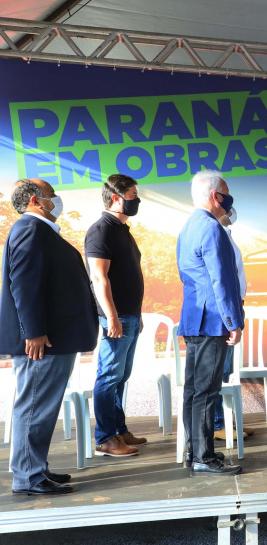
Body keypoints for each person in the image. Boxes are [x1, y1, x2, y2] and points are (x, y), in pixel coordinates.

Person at [1, 179, 98, 495]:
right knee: (34, 406)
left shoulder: (39, 230)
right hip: (42, 340)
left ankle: (35, 468)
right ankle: (28, 476)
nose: (58, 199)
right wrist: (35, 332)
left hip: (52, 338)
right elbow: (24, 285)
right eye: (52, 195)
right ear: (35, 200)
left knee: (41, 406)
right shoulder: (30, 229)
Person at [177, 170, 245, 476]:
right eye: (226, 193)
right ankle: (205, 456)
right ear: (215, 196)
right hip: (212, 321)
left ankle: (195, 453)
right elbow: (222, 280)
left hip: (193, 319)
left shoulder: (188, 227)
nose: (229, 198)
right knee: (206, 391)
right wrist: (233, 320)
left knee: (193, 391)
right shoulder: (213, 229)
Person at [85, 174, 146, 458]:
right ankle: (106, 438)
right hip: (115, 317)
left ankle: (119, 430)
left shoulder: (122, 230)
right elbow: (99, 277)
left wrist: (134, 313)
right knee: (109, 377)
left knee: (121, 376)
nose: (137, 199)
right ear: (116, 198)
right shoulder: (102, 230)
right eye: (132, 194)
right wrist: (112, 317)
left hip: (128, 316)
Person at [212, 205, 252, 441]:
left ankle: (228, 421)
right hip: (224, 311)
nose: (232, 211)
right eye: (228, 207)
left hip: (235, 306)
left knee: (226, 370)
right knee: (220, 371)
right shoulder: (216, 234)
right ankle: (219, 424)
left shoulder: (227, 235)